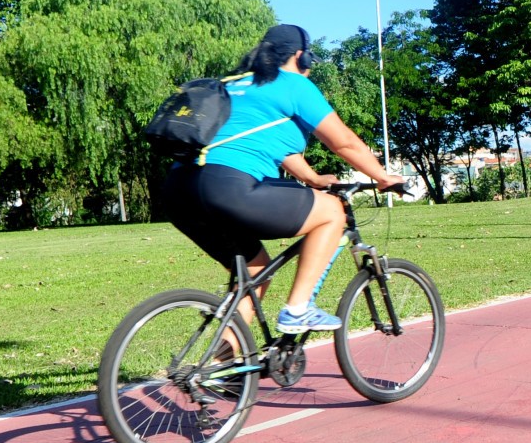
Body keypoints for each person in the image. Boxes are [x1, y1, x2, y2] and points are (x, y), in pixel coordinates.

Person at [161, 23, 402, 333]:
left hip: (179, 191)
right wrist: (383, 177)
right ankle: (298, 309)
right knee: (332, 211)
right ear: (300, 57)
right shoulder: (293, 85)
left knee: (255, 270)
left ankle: (223, 368)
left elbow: (271, 145)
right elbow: (344, 143)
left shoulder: (232, 85)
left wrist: (313, 178)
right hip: (227, 186)